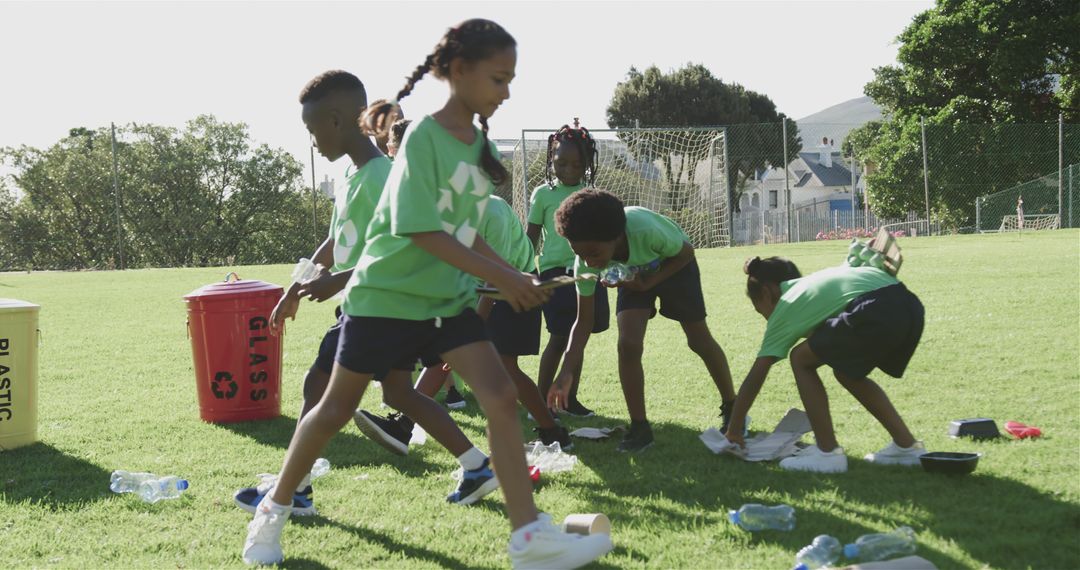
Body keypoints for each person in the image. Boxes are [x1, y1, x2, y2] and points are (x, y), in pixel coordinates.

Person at [242, 20, 612, 569]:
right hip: (385, 299)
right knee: (333, 409)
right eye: (498, 77)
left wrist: (512, 272)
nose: (507, 90)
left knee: (500, 395)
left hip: (444, 301)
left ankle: (529, 536)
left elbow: (466, 228)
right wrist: (506, 279)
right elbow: (420, 229)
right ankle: (272, 513)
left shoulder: (474, 142)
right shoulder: (421, 140)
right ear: (460, 74)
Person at [233, 70, 498, 517]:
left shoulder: (382, 177)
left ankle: (294, 490)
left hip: (376, 305)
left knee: (317, 387)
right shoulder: (354, 177)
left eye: (312, 130)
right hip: (389, 308)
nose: (312, 141)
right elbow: (336, 241)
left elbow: (407, 242)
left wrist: (337, 281)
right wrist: (299, 284)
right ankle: (476, 466)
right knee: (397, 393)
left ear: (336, 121)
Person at [355, 194, 573, 451]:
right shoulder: (443, 211)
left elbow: (496, 273)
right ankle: (404, 425)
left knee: (505, 367)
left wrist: (474, 326)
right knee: (442, 355)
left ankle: (552, 431)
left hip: (514, 289)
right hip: (474, 289)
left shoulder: (493, 212)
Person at [547, 189, 736, 453]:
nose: (589, 261)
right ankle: (640, 427)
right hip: (633, 275)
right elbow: (583, 321)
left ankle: (732, 406)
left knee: (699, 340)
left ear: (615, 236)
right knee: (628, 344)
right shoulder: (586, 262)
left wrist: (648, 282)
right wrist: (566, 370)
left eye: (593, 252)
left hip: (674, 266)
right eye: (580, 254)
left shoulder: (644, 229)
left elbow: (686, 253)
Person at [722, 256, 926, 473]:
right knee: (846, 372)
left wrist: (734, 430)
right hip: (909, 305)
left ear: (766, 292)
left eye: (760, 310)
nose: (765, 318)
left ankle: (827, 453)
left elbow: (757, 374)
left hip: (877, 309)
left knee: (800, 359)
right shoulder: (812, 283)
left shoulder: (787, 304)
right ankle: (906, 447)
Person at [526, 121, 610, 417]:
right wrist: (526, 272)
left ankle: (568, 400)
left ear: (587, 164)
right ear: (552, 160)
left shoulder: (592, 194)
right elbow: (531, 238)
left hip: (586, 273)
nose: (569, 169)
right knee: (560, 337)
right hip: (555, 275)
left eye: (577, 164)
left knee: (580, 335)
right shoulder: (543, 194)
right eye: (562, 163)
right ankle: (539, 402)